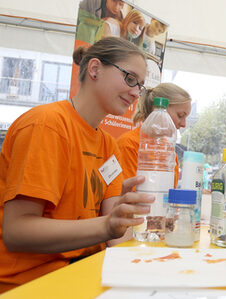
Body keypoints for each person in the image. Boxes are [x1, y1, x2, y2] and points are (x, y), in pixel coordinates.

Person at [0, 37, 154, 291]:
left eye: (140, 85)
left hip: (82, 272)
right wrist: (107, 226)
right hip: (28, 284)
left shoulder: (108, 145)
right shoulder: (47, 126)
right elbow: (17, 232)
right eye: (130, 78)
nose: (136, 93)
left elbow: (115, 225)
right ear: (94, 69)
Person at [117, 82, 192, 185]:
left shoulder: (168, 150)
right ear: (159, 108)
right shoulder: (128, 144)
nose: (183, 124)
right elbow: (127, 194)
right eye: (180, 115)